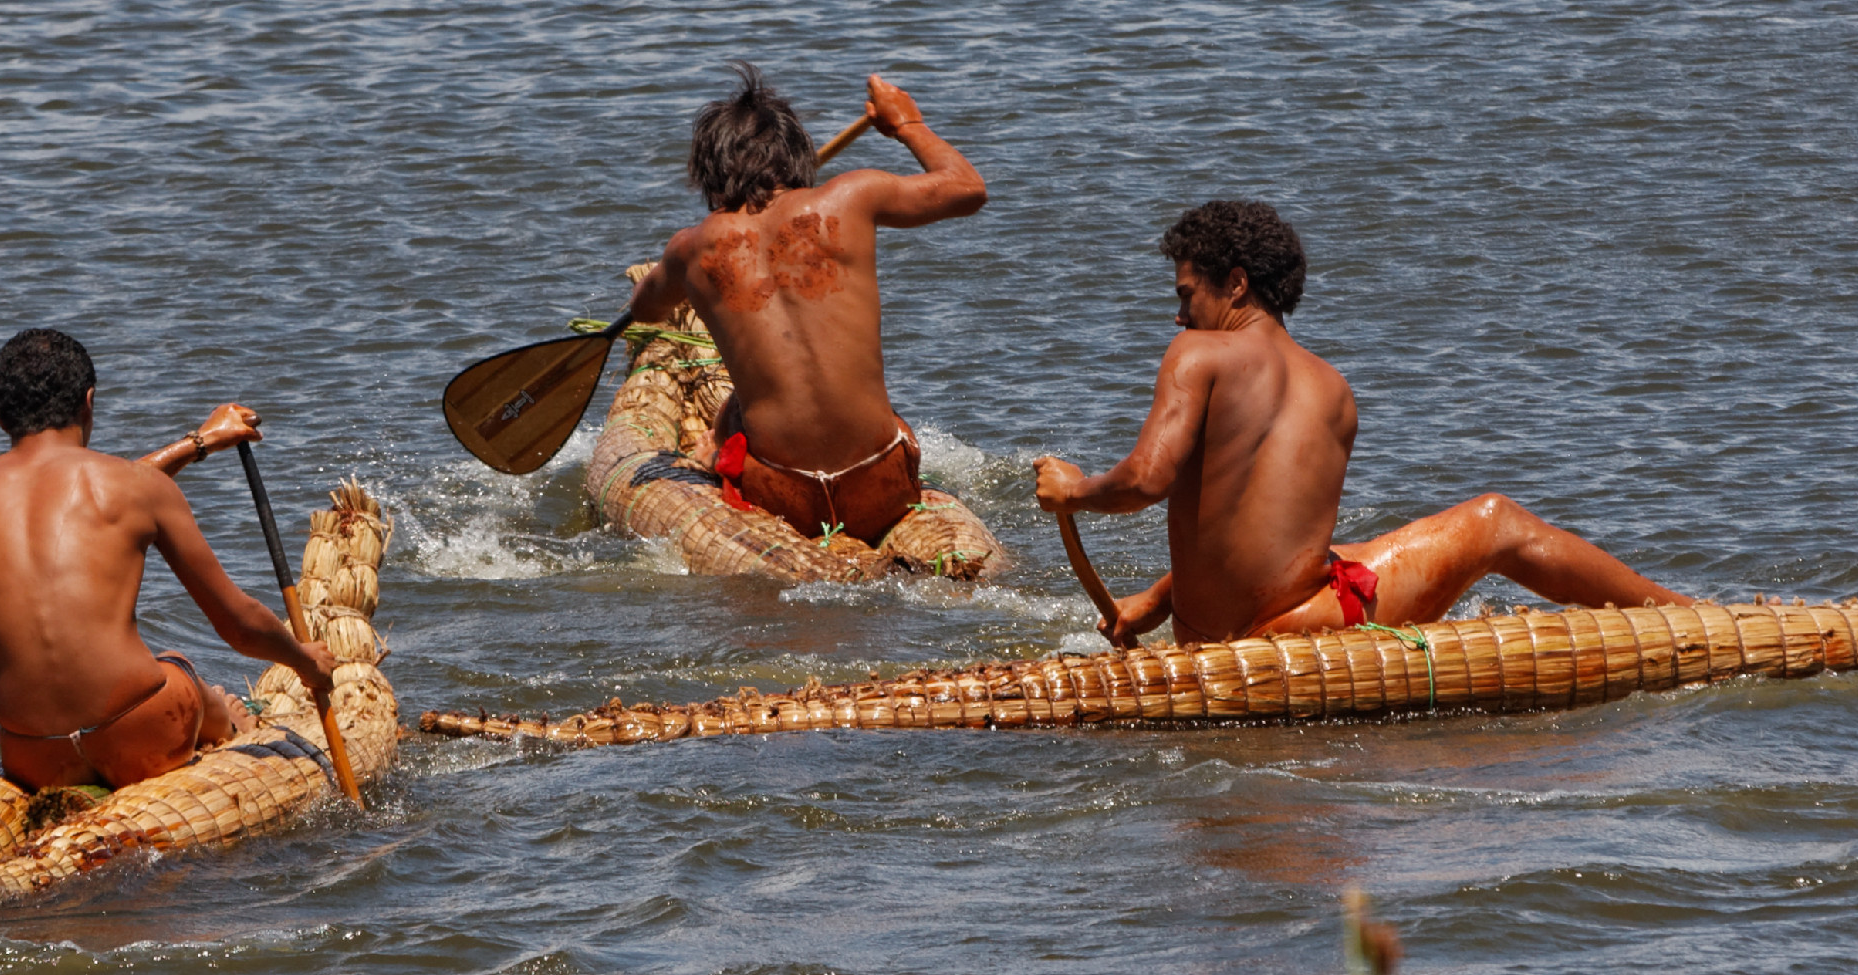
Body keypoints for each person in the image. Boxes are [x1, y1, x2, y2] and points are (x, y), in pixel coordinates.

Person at [1033, 200, 1690, 646]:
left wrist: (1073, 491)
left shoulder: (1197, 352)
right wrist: (1159, 597)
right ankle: (1686, 616)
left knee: (1495, 520)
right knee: (1486, 526)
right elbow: (1266, 538)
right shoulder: (1331, 388)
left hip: (1264, 636)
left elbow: (1148, 480)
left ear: (1235, 284)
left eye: (1185, 295)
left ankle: (1691, 622)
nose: (1178, 318)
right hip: (1307, 619)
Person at [0, 328, 336, 792]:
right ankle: (231, 724)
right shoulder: (134, 489)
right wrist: (305, 662)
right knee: (175, 664)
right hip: (138, 732)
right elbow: (239, 625)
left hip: (33, 754)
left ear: (1, 418)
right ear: (88, 402)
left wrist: (199, 443)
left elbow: (69, 502)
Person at [618, 65, 986, 544]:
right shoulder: (853, 196)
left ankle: (711, 450)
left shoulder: (690, 250)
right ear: (795, 157)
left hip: (783, 495)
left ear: (710, 174)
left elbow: (645, 310)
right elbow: (968, 188)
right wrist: (907, 125)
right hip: (882, 483)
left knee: (736, 411)